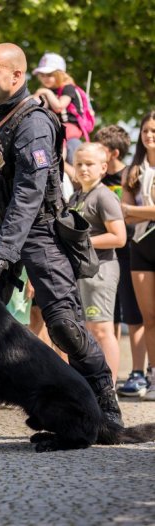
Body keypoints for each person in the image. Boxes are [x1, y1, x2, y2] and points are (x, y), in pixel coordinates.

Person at [0, 43, 122, 443]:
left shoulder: (34, 122)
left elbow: (28, 197)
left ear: (17, 76)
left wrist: (3, 252)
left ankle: (105, 405)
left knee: (65, 325)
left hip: (38, 231)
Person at [95, 125, 148, 397]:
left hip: (128, 250)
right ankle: (108, 373)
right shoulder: (94, 176)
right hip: (103, 257)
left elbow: (128, 213)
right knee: (108, 315)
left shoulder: (128, 174)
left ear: (114, 153)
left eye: (101, 149)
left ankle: (138, 371)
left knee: (134, 312)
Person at [69, 143, 127, 384]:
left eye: (89, 164)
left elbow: (119, 237)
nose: (83, 168)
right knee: (89, 331)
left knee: (102, 330)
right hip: (82, 272)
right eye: (79, 163)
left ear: (103, 167)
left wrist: (84, 242)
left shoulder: (104, 196)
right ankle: (96, 385)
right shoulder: (76, 195)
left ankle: (109, 388)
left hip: (101, 270)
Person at [121, 111, 155, 401]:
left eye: (154, 131)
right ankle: (152, 374)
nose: (149, 136)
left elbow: (130, 210)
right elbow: (123, 212)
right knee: (148, 316)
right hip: (140, 247)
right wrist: (135, 212)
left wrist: (134, 211)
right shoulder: (133, 171)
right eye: (145, 131)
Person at [32, 52, 88, 164]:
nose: (45, 79)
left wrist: (46, 92)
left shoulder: (68, 88)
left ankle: (59, 165)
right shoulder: (49, 91)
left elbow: (59, 106)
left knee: (58, 138)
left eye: (49, 75)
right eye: (42, 75)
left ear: (60, 74)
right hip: (56, 127)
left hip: (70, 127)